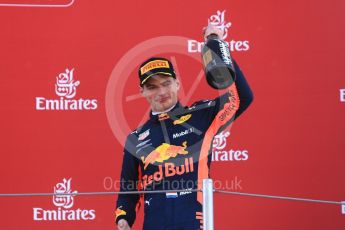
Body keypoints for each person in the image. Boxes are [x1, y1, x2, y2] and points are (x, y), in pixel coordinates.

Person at [115, 25, 254, 230]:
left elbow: (243, 97)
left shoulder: (202, 116)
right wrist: (123, 220)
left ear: (177, 84)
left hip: (194, 224)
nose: (161, 92)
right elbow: (129, 189)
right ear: (142, 91)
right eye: (152, 87)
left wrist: (216, 45)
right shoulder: (136, 138)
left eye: (166, 83)